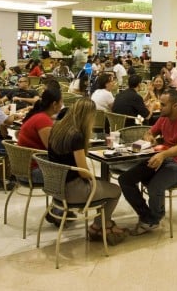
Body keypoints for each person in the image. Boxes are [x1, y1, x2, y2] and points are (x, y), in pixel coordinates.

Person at [119, 89, 177, 235]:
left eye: (163, 104)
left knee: (155, 186)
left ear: (175, 106)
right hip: (162, 159)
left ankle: (152, 220)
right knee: (125, 179)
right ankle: (148, 216)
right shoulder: (163, 118)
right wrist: (149, 137)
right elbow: (149, 133)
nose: (158, 107)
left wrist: (162, 155)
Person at [48, 98, 127, 244]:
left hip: (56, 188)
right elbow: (83, 172)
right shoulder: (76, 135)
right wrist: (93, 179)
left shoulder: (57, 128)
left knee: (102, 183)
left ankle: (101, 225)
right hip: (73, 190)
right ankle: (101, 225)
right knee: (115, 190)